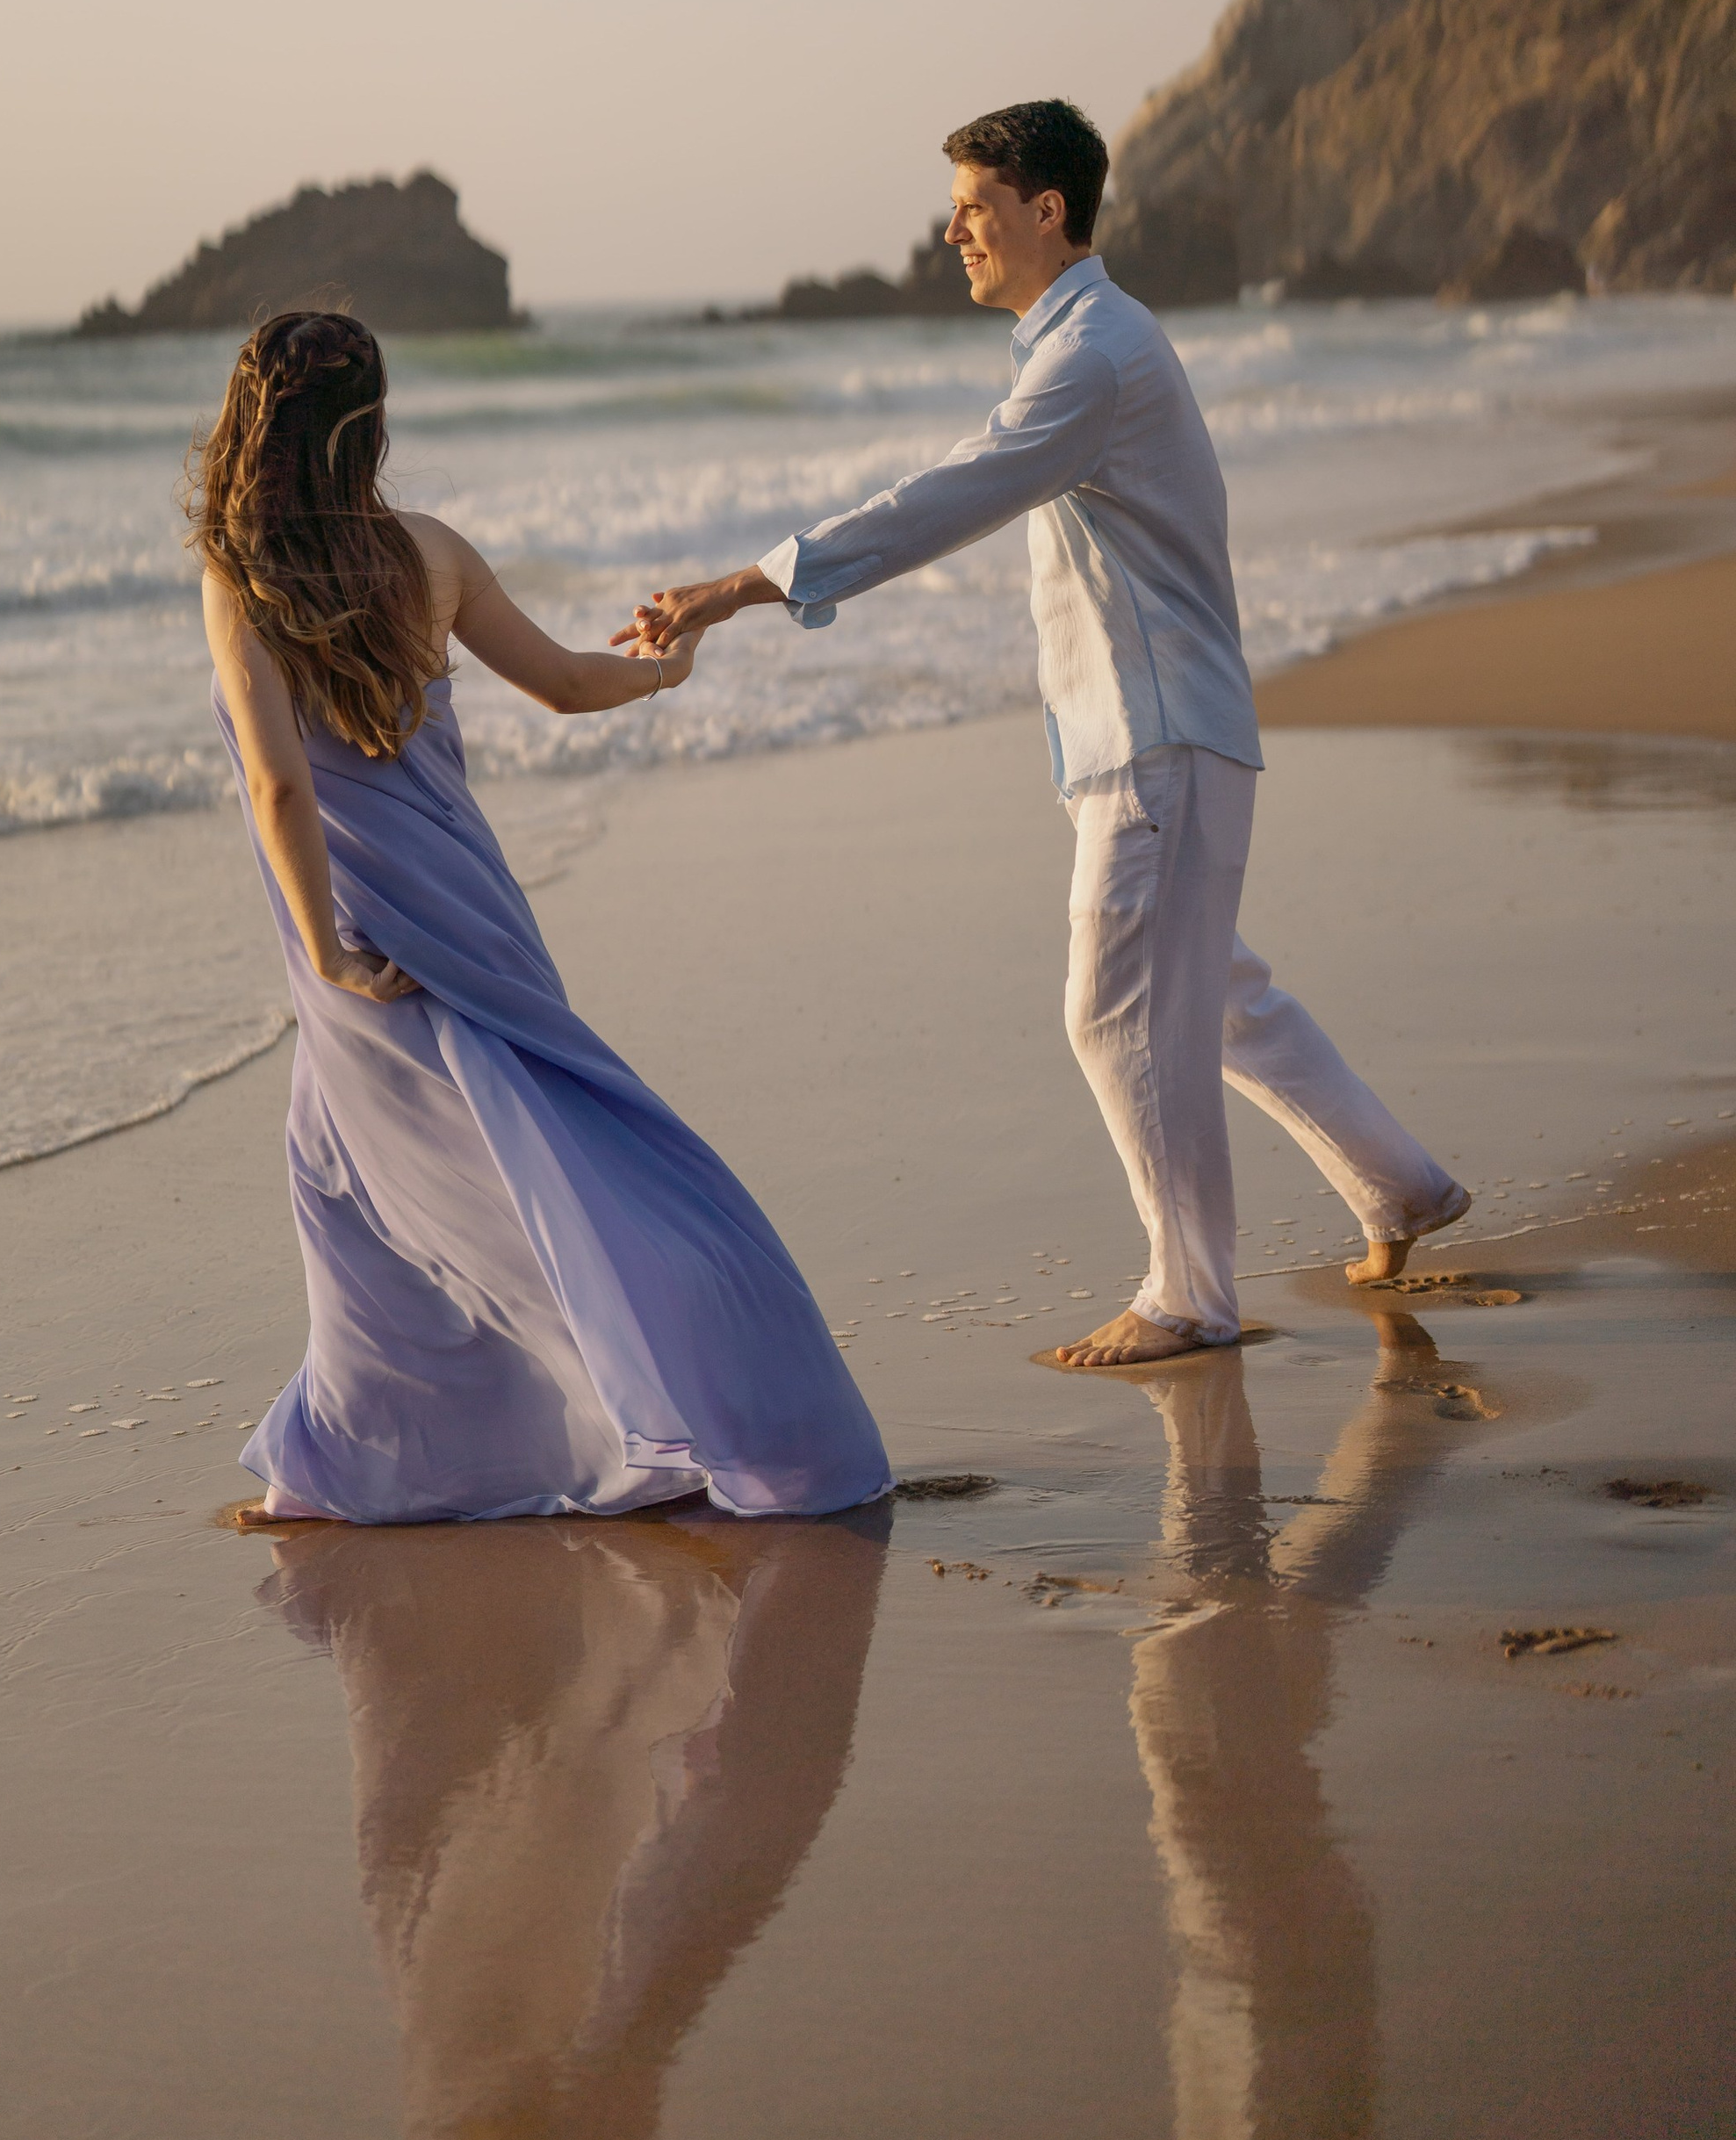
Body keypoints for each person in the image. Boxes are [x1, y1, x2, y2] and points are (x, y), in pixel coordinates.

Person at [616, 99, 1469, 1371]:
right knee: (1216, 1001)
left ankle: (1189, 1293)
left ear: (1044, 209)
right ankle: (1398, 1185)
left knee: (1114, 1007)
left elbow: (947, 497)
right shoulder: (1088, 344)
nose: (951, 228)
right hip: (1163, 735)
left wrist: (739, 586)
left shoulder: (1091, 360)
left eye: (972, 204)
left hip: (1162, 740)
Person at [191, 308, 890, 1523]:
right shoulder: (429, 552)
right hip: (469, 894)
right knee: (502, 1146)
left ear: (254, 424)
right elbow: (567, 683)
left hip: (360, 924)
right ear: (367, 427)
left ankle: (506, 1429)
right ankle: (388, 1443)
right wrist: (669, 667)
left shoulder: (240, 581)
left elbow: (277, 783)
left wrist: (328, 956)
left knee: (398, 1177)